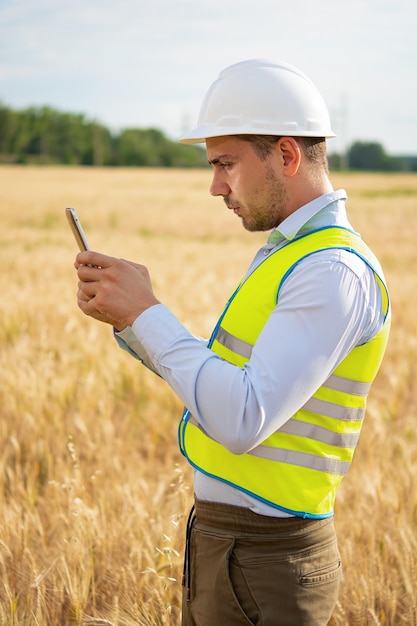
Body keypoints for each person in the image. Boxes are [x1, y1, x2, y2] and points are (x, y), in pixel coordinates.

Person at [75, 59, 391, 625]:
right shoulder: (293, 254)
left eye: (226, 163)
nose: (215, 186)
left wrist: (149, 314)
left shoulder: (331, 271)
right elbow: (229, 381)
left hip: (268, 555)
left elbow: (243, 416)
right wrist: (131, 320)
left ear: (287, 156)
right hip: (227, 545)